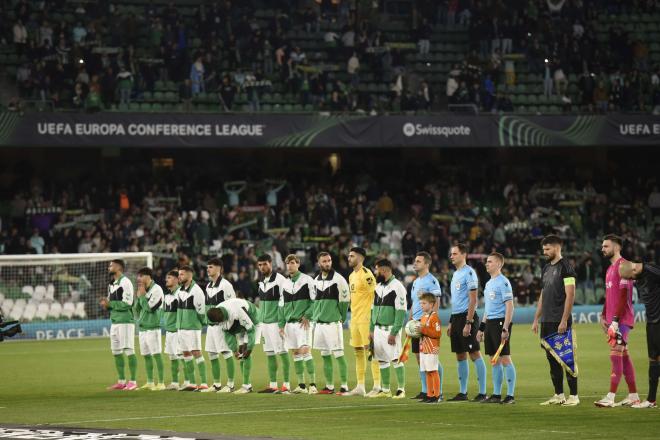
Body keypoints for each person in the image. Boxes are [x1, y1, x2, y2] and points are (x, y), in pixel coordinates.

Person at [532, 235, 579, 406]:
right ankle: (559, 394)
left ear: (557, 247)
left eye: (548, 249)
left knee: (566, 357)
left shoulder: (566, 267)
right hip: (547, 320)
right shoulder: (545, 268)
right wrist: (536, 318)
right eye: (544, 249)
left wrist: (564, 320)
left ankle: (574, 396)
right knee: (551, 358)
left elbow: (570, 294)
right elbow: (543, 294)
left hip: (560, 320)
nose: (545, 252)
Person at [594, 235, 639, 407]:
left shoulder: (625, 266)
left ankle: (610, 397)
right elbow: (609, 296)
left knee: (615, 355)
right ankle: (633, 396)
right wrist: (603, 315)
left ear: (617, 247)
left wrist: (615, 320)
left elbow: (622, 296)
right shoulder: (610, 269)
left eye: (606, 246)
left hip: (622, 320)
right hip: (613, 319)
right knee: (624, 356)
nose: (602, 249)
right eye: (602, 246)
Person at [448, 244, 487, 402]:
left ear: (464, 254)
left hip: (467, 317)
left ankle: (483, 392)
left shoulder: (469, 273)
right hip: (456, 317)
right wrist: (451, 321)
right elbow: (456, 301)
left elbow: (473, 299)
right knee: (460, 355)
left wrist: (469, 322)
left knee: (474, 353)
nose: (451, 256)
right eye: (451, 254)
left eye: (455, 254)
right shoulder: (455, 274)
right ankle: (462, 392)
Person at [619, 260, 660, 408]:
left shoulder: (652, 270)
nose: (632, 281)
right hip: (652, 322)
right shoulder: (639, 274)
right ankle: (651, 400)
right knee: (653, 359)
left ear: (635, 270)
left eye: (631, 278)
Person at [477, 253, 516, 404]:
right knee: (494, 360)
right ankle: (496, 394)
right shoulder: (488, 284)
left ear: (499, 264)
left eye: (490, 262)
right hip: (491, 323)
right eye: (486, 261)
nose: (487, 264)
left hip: (501, 323)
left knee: (505, 358)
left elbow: (510, 306)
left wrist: (505, 328)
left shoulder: (503, 282)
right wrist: (481, 328)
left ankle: (510, 395)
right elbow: (487, 309)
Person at [344, 247, 381, 397]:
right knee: (358, 351)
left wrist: (374, 318)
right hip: (354, 318)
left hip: (366, 319)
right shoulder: (352, 275)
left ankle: (377, 385)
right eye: (349, 255)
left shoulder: (367, 275)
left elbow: (377, 296)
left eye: (352, 256)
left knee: (371, 351)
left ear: (360, 258)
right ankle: (360, 386)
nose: (349, 258)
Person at [312, 252, 350, 394]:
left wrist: (341, 317)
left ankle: (345, 386)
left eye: (329, 261)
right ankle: (329, 386)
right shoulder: (315, 280)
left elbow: (344, 301)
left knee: (339, 355)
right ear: (319, 263)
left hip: (333, 324)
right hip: (319, 324)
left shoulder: (339, 280)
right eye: (324, 261)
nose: (327, 263)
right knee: (325, 356)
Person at [369, 258, 407, 399]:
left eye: (377, 270)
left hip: (391, 329)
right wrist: (371, 330)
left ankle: (401, 390)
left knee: (396, 359)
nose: (376, 272)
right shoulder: (378, 287)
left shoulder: (398, 287)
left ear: (384, 270)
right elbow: (373, 310)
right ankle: (385, 390)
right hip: (378, 329)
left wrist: (394, 332)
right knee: (382, 360)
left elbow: (401, 312)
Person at [409, 251, 443, 400]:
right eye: (415, 261)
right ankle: (425, 390)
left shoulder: (432, 281)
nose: (415, 263)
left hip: (426, 324)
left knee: (431, 359)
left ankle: (438, 391)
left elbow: (436, 301)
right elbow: (414, 303)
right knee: (419, 357)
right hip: (416, 324)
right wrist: (410, 320)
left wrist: (431, 320)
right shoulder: (415, 282)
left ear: (426, 264)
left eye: (418, 261)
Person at [207, 297, 260, 394]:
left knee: (246, 353)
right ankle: (247, 384)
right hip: (239, 326)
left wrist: (249, 348)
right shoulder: (218, 312)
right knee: (240, 354)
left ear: (222, 316)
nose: (219, 324)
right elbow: (227, 333)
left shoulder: (237, 311)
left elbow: (251, 330)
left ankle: (247, 386)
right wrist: (234, 350)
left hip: (254, 322)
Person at [282, 254, 317, 394]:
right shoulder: (285, 283)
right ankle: (301, 386)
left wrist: (308, 315)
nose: (289, 265)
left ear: (298, 264)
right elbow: (281, 305)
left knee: (305, 351)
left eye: (292, 263)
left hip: (303, 322)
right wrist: (281, 324)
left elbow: (315, 300)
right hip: (290, 323)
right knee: (296, 353)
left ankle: (313, 385)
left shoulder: (307, 280)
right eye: (288, 263)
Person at [101, 259, 138, 391]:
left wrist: (110, 304)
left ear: (119, 267)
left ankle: (133, 381)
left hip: (125, 321)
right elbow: (112, 303)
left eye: (111, 265)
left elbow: (128, 303)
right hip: (115, 321)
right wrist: (107, 305)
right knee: (116, 351)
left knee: (128, 350)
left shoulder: (125, 282)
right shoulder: (111, 284)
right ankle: (121, 381)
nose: (109, 267)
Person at [256, 254, 290, 393]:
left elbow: (285, 303)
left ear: (271, 263)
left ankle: (286, 385)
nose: (262, 267)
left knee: (282, 352)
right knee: (269, 353)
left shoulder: (281, 280)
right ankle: (273, 385)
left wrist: (282, 323)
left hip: (276, 323)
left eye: (264, 264)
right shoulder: (261, 281)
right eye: (260, 265)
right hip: (264, 324)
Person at [203, 257, 236, 392]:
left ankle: (231, 384)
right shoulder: (208, 286)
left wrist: (230, 325)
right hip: (210, 327)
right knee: (211, 353)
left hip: (222, 325)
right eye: (207, 267)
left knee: (226, 353)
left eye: (210, 267)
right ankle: (216, 384)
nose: (208, 269)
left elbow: (232, 305)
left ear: (218, 269)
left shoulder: (226, 285)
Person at [176, 265, 208, 391]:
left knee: (196, 352)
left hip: (193, 328)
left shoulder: (197, 291)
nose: (179, 276)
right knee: (186, 353)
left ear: (190, 276)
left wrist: (200, 324)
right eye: (179, 274)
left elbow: (201, 312)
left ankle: (204, 383)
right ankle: (192, 383)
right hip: (181, 327)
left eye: (182, 274)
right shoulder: (180, 291)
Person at [135, 267, 165, 391]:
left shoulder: (157, 290)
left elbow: (150, 309)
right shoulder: (143, 290)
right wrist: (138, 298)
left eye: (141, 276)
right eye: (138, 276)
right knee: (146, 355)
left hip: (153, 327)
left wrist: (142, 297)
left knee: (156, 355)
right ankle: (150, 382)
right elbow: (137, 310)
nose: (139, 278)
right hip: (142, 328)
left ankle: (161, 383)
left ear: (148, 276)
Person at [418, 292, 442, 403]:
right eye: (420, 303)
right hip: (423, 347)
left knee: (433, 370)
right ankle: (429, 394)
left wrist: (423, 330)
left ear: (431, 304)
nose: (421, 305)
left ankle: (436, 395)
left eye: (424, 303)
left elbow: (437, 333)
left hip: (432, 347)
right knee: (427, 371)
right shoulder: (423, 317)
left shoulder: (434, 317)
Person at [162, 269, 183, 390]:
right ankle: (175, 382)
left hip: (177, 331)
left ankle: (187, 381)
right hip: (169, 331)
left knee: (182, 357)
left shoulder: (180, 293)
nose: (166, 280)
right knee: (173, 358)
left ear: (176, 280)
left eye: (169, 278)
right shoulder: (167, 295)